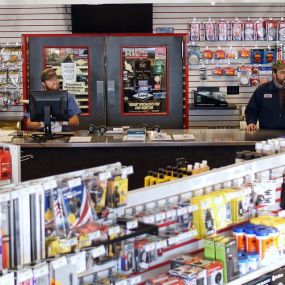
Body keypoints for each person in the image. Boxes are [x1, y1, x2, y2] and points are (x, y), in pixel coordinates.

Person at [245, 60, 285, 131]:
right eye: (282, 72)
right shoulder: (262, 90)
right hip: (266, 133)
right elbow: (252, 109)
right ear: (274, 73)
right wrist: (251, 122)